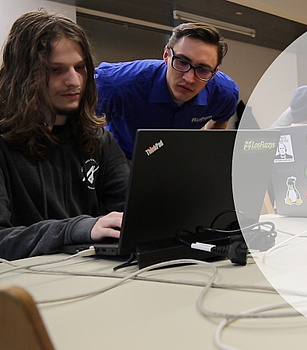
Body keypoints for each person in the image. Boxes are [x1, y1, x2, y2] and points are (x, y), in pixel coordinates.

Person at [0, 11, 129, 260]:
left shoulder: (98, 139)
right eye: (56, 70)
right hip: (24, 284)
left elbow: (132, 213)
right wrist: (77, 229)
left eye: (80, 68)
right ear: (23, 75)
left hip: (90, 275)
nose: (74, 81)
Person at [95, 22, 239, 159]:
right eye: (182, 62)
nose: (189, 78)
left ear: (215, 72)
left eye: (203, 70)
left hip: (175, 159)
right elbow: (81, 118)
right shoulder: (116, 84)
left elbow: (219, 123)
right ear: (166, 55)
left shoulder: (224, 93)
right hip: (124, 156)